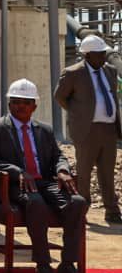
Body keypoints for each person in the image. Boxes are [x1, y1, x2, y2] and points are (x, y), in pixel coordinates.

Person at [0, 78, 92, 273]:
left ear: (34, 106)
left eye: (26, 102)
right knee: (36, 202)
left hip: (44, 182)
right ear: (9, 104)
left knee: (77, 202)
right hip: (14, 184)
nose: (20, 106)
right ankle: (43, 265)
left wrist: (62, 170)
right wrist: (17, 172)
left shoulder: (45, 129)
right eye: (16, 102)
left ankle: (68, 265)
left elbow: (58, 156)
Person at [54, 34, 121, 224]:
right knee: (84, 173)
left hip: (108, 129)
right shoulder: (73, 73)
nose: (103, 57)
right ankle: (81, 209)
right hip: (86, 130)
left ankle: (112, 211)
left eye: (103, 53)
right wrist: (78, 114)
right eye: (99, 54)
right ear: (87, 55)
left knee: (107, 172)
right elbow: (60, 96)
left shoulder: (110, 71)